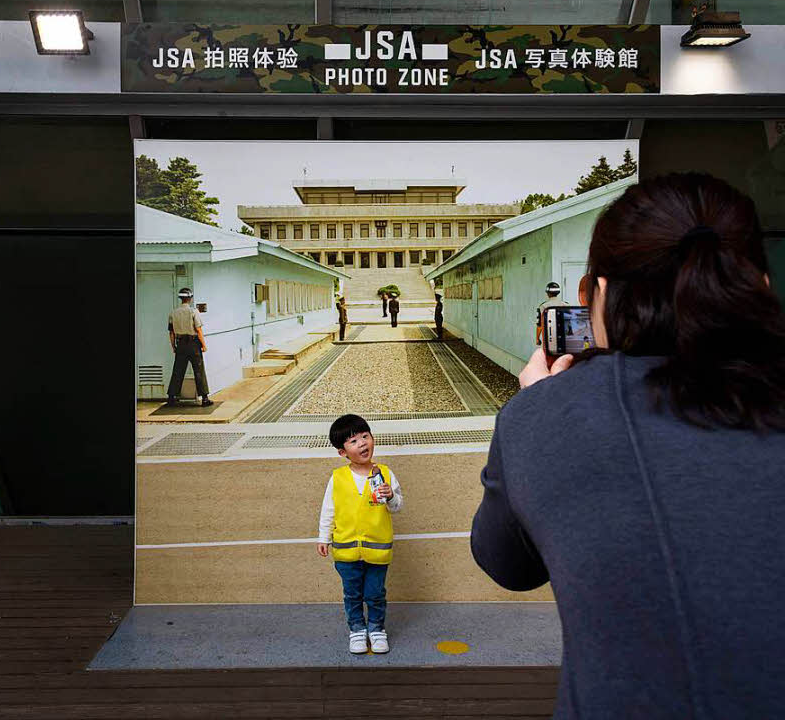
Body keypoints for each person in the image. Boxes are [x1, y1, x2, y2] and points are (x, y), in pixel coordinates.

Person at [470, 174, 785, 718]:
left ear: (596, 294)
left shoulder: (545, 415)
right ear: (761, 283)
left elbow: (506, 564)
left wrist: (540, 409)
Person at [318, 414, 404, 655]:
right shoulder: (337, 478)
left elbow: (397, 507)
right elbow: (329, 510)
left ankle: (377, 629)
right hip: (345, 550)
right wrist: (323, 537)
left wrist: (390, 496)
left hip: (378, 549)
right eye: (353, 441)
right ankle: (357, 630)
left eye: (365, 436)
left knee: (375, 593)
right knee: (352, 594)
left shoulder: (385, 473)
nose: (362, 443)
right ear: (342, 452)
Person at [166, 287, 212, 407]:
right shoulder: (193, 311)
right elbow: (198, 329)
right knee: (199, 370)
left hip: (180, 343)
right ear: (190, 298)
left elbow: (171, 333)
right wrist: (204, 345)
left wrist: (173, 346)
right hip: (193, 343)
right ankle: (205, 399)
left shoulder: (173, 312)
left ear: (181, 298)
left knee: (178, 370)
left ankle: (171, 397)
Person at [535, 281, 568, 346]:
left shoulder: (543, 306)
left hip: (549, 339)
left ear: (548, 293)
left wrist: (537, 339)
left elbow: (540, 325)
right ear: (558, 292)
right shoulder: (566, 305)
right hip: (563, 338)